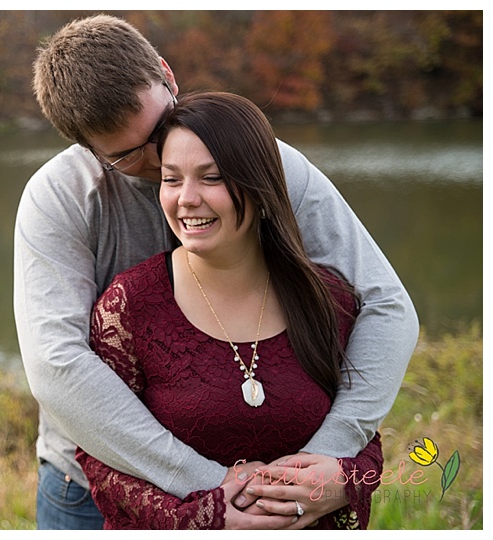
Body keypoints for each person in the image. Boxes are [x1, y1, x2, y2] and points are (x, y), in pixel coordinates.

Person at [13, 14, 418, 530]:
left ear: (167, 74)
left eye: (160, 128)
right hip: (94, 488)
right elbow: (56, 365)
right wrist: (207, 489)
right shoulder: (61, 199)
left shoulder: (267, 165)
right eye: (129, 156)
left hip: (279, 491)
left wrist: (324, 461)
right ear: (87, 148)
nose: (163, 156)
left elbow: (386, 305)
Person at [76, 91, 384, 529]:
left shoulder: (325, 298)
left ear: (259, 184)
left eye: (212, 177)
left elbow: (365, 434)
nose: (186, 198)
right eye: (171, 178)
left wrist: (343, 481)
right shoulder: (129, 307)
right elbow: (101, 456)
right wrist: (212, 516)